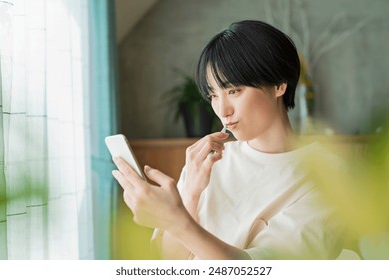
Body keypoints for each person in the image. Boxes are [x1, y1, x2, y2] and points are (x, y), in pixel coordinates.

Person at [112, 20, 344, 260]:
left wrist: (177, 220)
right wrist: (190, 192)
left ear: (279, 85)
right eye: (213, 95)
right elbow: (170, 261)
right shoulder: (207, 163)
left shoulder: (329, 174)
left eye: (234, 91)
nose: (222, 110)